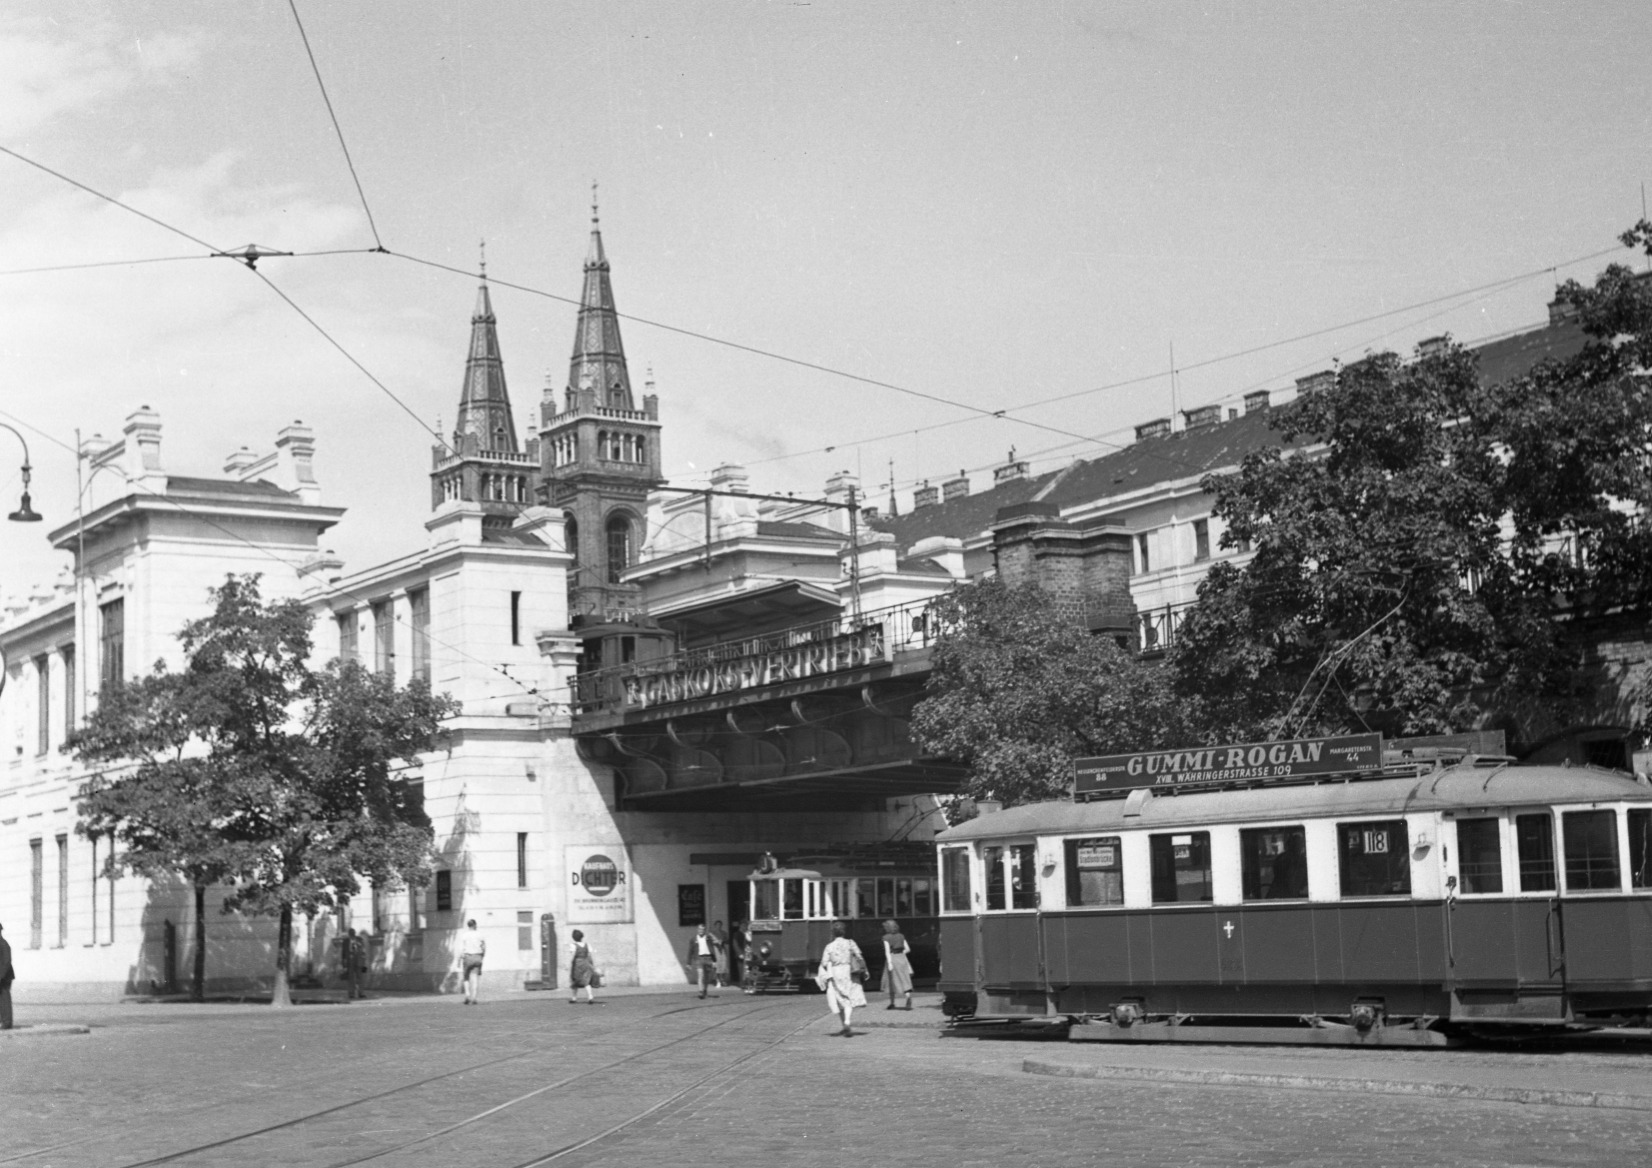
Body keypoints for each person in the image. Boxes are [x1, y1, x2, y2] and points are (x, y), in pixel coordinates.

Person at [815, 921, 866, 1036]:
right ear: (844, 932)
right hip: (848, 972)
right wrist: (865, 970)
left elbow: (823, 962)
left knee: (840, 1000)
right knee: (848, 998)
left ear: (833, 933)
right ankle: (847, 1023)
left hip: (835, 972)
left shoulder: (829, 946)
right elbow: (859, 956)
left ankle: (845, 1024)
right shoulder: (850, 943)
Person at [880, 918, 914, 1010]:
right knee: (904, 979)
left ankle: (892, 1003)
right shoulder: (901, 936)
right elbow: (908, 949)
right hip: (902, 959)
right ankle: (908, 997)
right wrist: (901, 953)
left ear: (887, 928)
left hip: (892, 959)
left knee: (891, 981)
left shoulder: (886, 937)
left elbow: (887, 952)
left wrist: (890, 963)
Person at [685, 923, 718, 998]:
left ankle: (705, 990)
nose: (701, 931)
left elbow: (713, 948)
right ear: (697, 930)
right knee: (701, 975)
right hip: (699, 958)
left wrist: (714, 961)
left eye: (703, 929)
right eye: (700, 929)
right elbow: (690, 951)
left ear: (705, 930)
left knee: (706, 977)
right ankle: (700, 991)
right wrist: (688, 963)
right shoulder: (694, 939)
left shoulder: (708, 938)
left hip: (708, 958)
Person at [568, 929, 600, 1003]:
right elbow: (589, 955)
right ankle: (590, 996)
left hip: (577, 964)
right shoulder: (587, 945)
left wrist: (571, 964)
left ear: (573, 937)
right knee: (586, 981)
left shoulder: (573, 945)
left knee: (575, 980)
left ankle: (574, 998)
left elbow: (573, 956)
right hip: (586, 963)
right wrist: (591, 964)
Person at [459, 919, 485, 1004]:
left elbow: (462, 948)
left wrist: (459, 959)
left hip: (468, 957)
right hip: (478, 956)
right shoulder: (480, 934)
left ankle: (467, 995)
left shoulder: (465, 935)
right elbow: (484, 947)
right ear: (475, 925)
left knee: (466, 977)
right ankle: (474, 997)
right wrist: (482, 956)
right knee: (475, 977)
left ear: (468, 926)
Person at [345, 928, 365, 1000]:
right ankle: (351, 993)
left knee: (359, 977)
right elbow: (343, 952)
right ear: (349, 934)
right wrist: (343, 962)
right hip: (350, 960)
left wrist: (363, 961)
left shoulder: (359, 939)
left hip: (358, 960)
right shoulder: (346, 941)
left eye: (353, 933)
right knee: (351, 978)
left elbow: (363, 950)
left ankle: (361, 993)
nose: (352, 934)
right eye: (351, 933)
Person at [0, 921, 14, 1030]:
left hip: (4, 977)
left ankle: (7, 1022)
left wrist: (1, 976)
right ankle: (3, 1020)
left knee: (4, 999)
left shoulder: (3, 944)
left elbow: (6, 962)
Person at [709, 919, 730, 987]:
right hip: (716, 949)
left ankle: (722, 979)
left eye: (720, 925)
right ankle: (717, 980)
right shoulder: (711, 933)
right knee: (717, 964)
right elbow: (709, 942)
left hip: (723, 949)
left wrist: (723, 940)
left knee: (723, 963)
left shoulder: (724, 933)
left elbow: (727, 941)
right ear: (715, 926)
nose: (719, 926)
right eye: (717, 925)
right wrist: (715, 942)